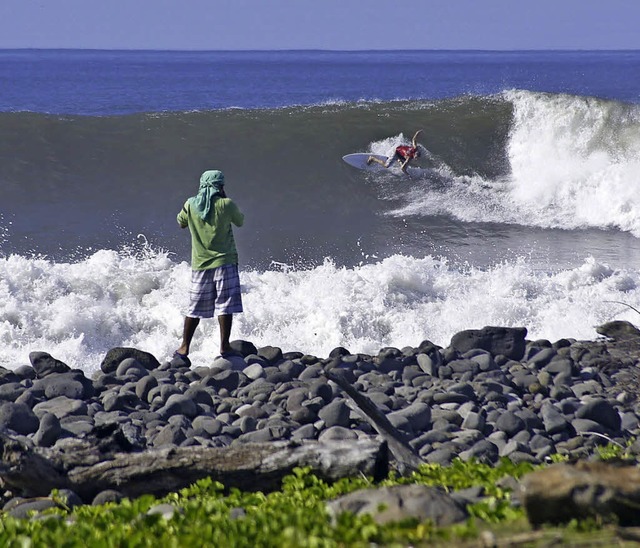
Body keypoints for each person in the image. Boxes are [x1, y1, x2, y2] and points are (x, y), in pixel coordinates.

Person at [174, 169, 245, 361]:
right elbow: (240, 221)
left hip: (200, 263)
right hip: (225, 261)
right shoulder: (226, 204)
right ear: (219, 187)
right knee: (225, 305)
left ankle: (184, 347)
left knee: (194, 306)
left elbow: (180, 222)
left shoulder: (190, 204)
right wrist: (224, 199)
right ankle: (224, 346)